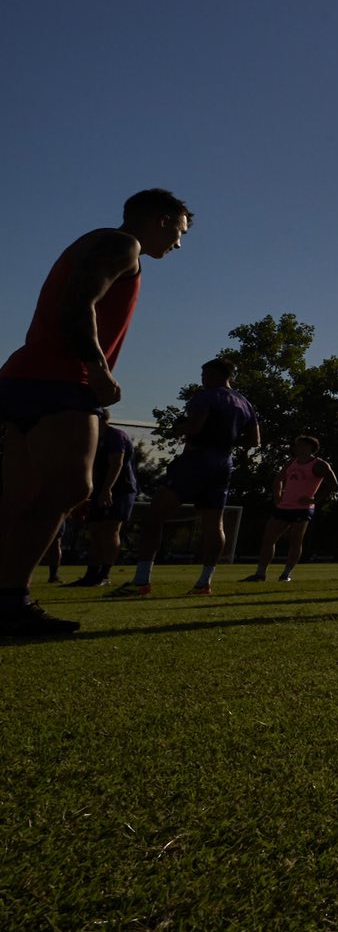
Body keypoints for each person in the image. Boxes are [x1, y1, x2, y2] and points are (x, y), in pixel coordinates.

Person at [0, 189, 189, 635]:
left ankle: (6, 597)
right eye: (178, 233)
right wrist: (98, 370)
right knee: (70, 487)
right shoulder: (121, 245)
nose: (178, 245)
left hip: (23, 378)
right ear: (161, 219)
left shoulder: (98, 243)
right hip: (60, 382)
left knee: (20, 499)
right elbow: (77, 303)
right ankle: (11, 601)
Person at [116, 356, 261, 597]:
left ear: (213, 375)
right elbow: (254, 441)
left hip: (196, 460)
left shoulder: (205, 396)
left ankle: (141, 580)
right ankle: (204, 583)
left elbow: (194, 427)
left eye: (204, 376)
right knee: (215, 524)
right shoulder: (245, 403)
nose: (202, 380)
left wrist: (178, 428)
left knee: (154, 517)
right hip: (224, 463)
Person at [244, 435, 335, 583]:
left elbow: (333, 484)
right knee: (269, 539)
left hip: (303, 509)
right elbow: (278, 479)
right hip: (284, 507)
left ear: (310, 447)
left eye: (300, 445)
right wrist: (277, 496)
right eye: (296, 446)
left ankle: (286, 574)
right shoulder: (291, 462)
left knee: (295, 540)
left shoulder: (319, 464)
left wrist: (314, 499)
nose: (296, 448)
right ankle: (260, 574)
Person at [71, 423, 140, 588]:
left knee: (110, 529)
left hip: (120, 489)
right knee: (95, 530)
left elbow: (117, 463)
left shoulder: (115, 436)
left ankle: (104, 574)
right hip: (99, 489)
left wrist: (107, 489)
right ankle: (91, 574)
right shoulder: (93, 437)